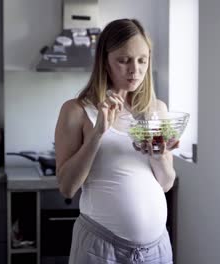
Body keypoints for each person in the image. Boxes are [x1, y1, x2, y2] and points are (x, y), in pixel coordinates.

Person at [55, 18, 178, 264]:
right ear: (105, 62)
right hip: (100, 249)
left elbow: (165, 183)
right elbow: (67, 188)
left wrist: (159, 155)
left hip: (156, 251)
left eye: (142, 60)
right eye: (124, 60)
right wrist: (98, 132)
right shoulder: (76, 110)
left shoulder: (157, 110)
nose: (135, 70)